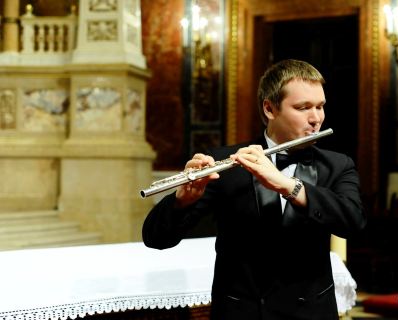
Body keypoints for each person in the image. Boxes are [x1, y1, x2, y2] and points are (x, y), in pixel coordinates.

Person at [142, 59, 366, 320]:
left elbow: (354, 222)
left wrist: (289, 186)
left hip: (311, 312)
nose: (316, 118)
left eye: (320, 106)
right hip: (242, 312)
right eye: (303, 108)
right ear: (270, 109)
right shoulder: (226, 162)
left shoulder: (337, 165)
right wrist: (183, 200)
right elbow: (156, 238)